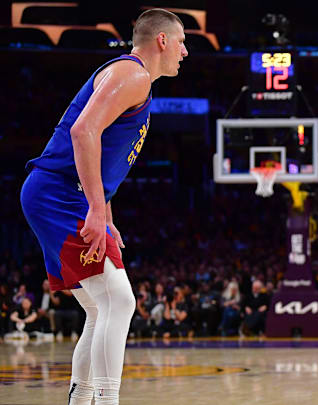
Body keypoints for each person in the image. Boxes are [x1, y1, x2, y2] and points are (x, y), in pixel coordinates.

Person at [18, 9, 187, 405]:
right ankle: (106, 400)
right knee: (120, 301)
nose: (185, 51)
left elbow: (101, 156)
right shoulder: (133, 75)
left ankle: (82, 398)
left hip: (60, 193)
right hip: (60, 194)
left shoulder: (132, 78)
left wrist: (104, 213)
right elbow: (83, 131)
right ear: (161, 40)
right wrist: (95, 208)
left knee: (99, 308)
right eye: (181, 42)